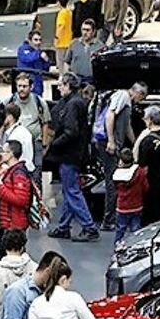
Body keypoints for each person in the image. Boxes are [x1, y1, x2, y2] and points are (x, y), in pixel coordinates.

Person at [47, 74, 98, 242]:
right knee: (69, 190)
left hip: (69, 154)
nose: (58, 87)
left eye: (61, 84)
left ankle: (89, 227)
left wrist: (54, 144)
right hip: (75, 154)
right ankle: (64, 226)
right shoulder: (76, 102)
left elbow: (71, 131)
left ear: (68, 85)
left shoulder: (73, 104)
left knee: (72, 191)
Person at [112, 147, 150, 243]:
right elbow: (145, 187)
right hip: (136, 206)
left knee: (120, 229)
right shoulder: (140, 172)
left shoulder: (117, 175)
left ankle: (118, 246)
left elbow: (115, 189)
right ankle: (135, 245)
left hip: (122, 207)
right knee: (136, 229)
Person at [62, 19, 104, 84]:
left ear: (93, 31)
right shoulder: (74, 44)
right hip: (76, 80)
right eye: (83, 29)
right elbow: (67, 62)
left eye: (87, 30)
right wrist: (65, 78)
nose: (85, 33)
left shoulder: (100, 46)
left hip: (92, 81)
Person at [15, 30, 50, 97]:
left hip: (38, 85)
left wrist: (47, 60)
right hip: (26, 84)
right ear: (30, 40)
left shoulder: (39, 52)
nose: (38, 42)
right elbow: (28, 58)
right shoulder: (23, 49)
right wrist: (39, 54)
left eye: (40, 40)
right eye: (36, 40)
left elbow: (45, 69)